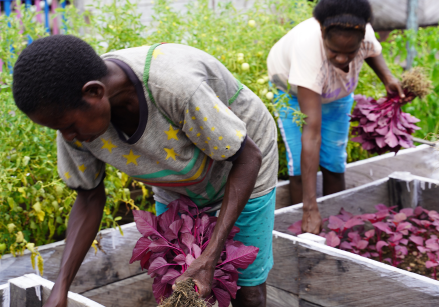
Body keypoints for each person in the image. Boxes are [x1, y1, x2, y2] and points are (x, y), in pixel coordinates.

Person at [12, 36, 278, 307]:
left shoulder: (174, 87)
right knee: (178, 286)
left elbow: (248, 158)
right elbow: (89, 197)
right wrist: (61, 288)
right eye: (58, 129)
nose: (67, 136)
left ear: (94, 92)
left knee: (248, 288)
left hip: (244, 165)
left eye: (68, 126)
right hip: (179, 177)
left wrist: (210, 257)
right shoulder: (72, 124)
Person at [267, 0, 403, 234]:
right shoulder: (308, 51)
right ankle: (303, 228)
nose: (342, 58)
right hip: (293, 92)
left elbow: (372, 52)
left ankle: (338, 228)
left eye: (350, 52)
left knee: (334, 160)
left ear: (361, 38)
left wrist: (387, 79)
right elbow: (311, 134)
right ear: (322, 35)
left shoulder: (363, 32)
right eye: (334, 51)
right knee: (300, 162)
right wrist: (310, 208)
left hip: (337, 93)